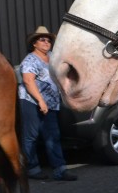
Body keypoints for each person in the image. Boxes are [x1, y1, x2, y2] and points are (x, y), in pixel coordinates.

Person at [18, 26, 77, 182]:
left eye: (48, 40)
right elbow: (28, 81)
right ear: (34, 43)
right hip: (31, 101)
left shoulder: (52, 57)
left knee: (53, 136)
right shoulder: (30, 60)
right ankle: (32, 168)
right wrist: (40, 100)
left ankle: (60, 169)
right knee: (31, 136)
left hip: (50, 103)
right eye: (42, 39)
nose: (46, 42)